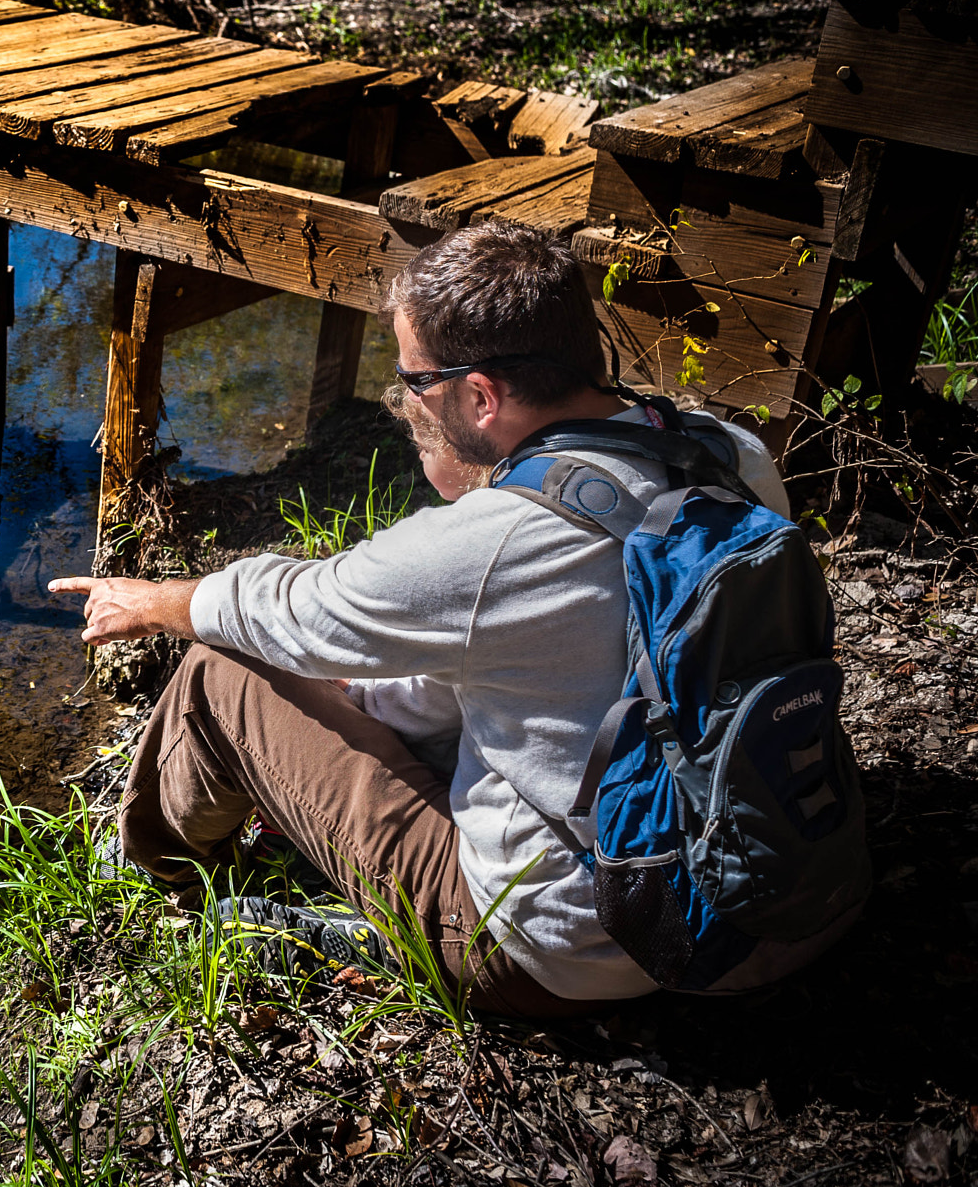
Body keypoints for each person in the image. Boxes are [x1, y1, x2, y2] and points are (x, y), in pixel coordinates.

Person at [48, 221, 788, 1018]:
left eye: (412, 378)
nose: (402, 398)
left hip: (561, 947)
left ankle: (158, 870)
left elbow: (288, 608)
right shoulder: (725, 452)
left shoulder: (495, 541)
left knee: (218, 674)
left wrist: (155, 602)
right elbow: (490, 666)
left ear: (480, 395)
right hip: (748, 881)